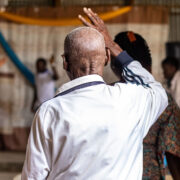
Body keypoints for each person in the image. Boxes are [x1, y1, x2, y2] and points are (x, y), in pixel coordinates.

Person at [22, 8, 168, 180]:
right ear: (107, 57)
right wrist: (112, 45)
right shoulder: (131, 99)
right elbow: (155, 89)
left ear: (64, 62)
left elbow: (33, 177)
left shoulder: (49, 112)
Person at [111, 31, 180, 180]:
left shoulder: (104, 97)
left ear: (112, 65)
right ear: (149, 65)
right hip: (149, 173)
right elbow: (173, 152)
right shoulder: (163, 100)